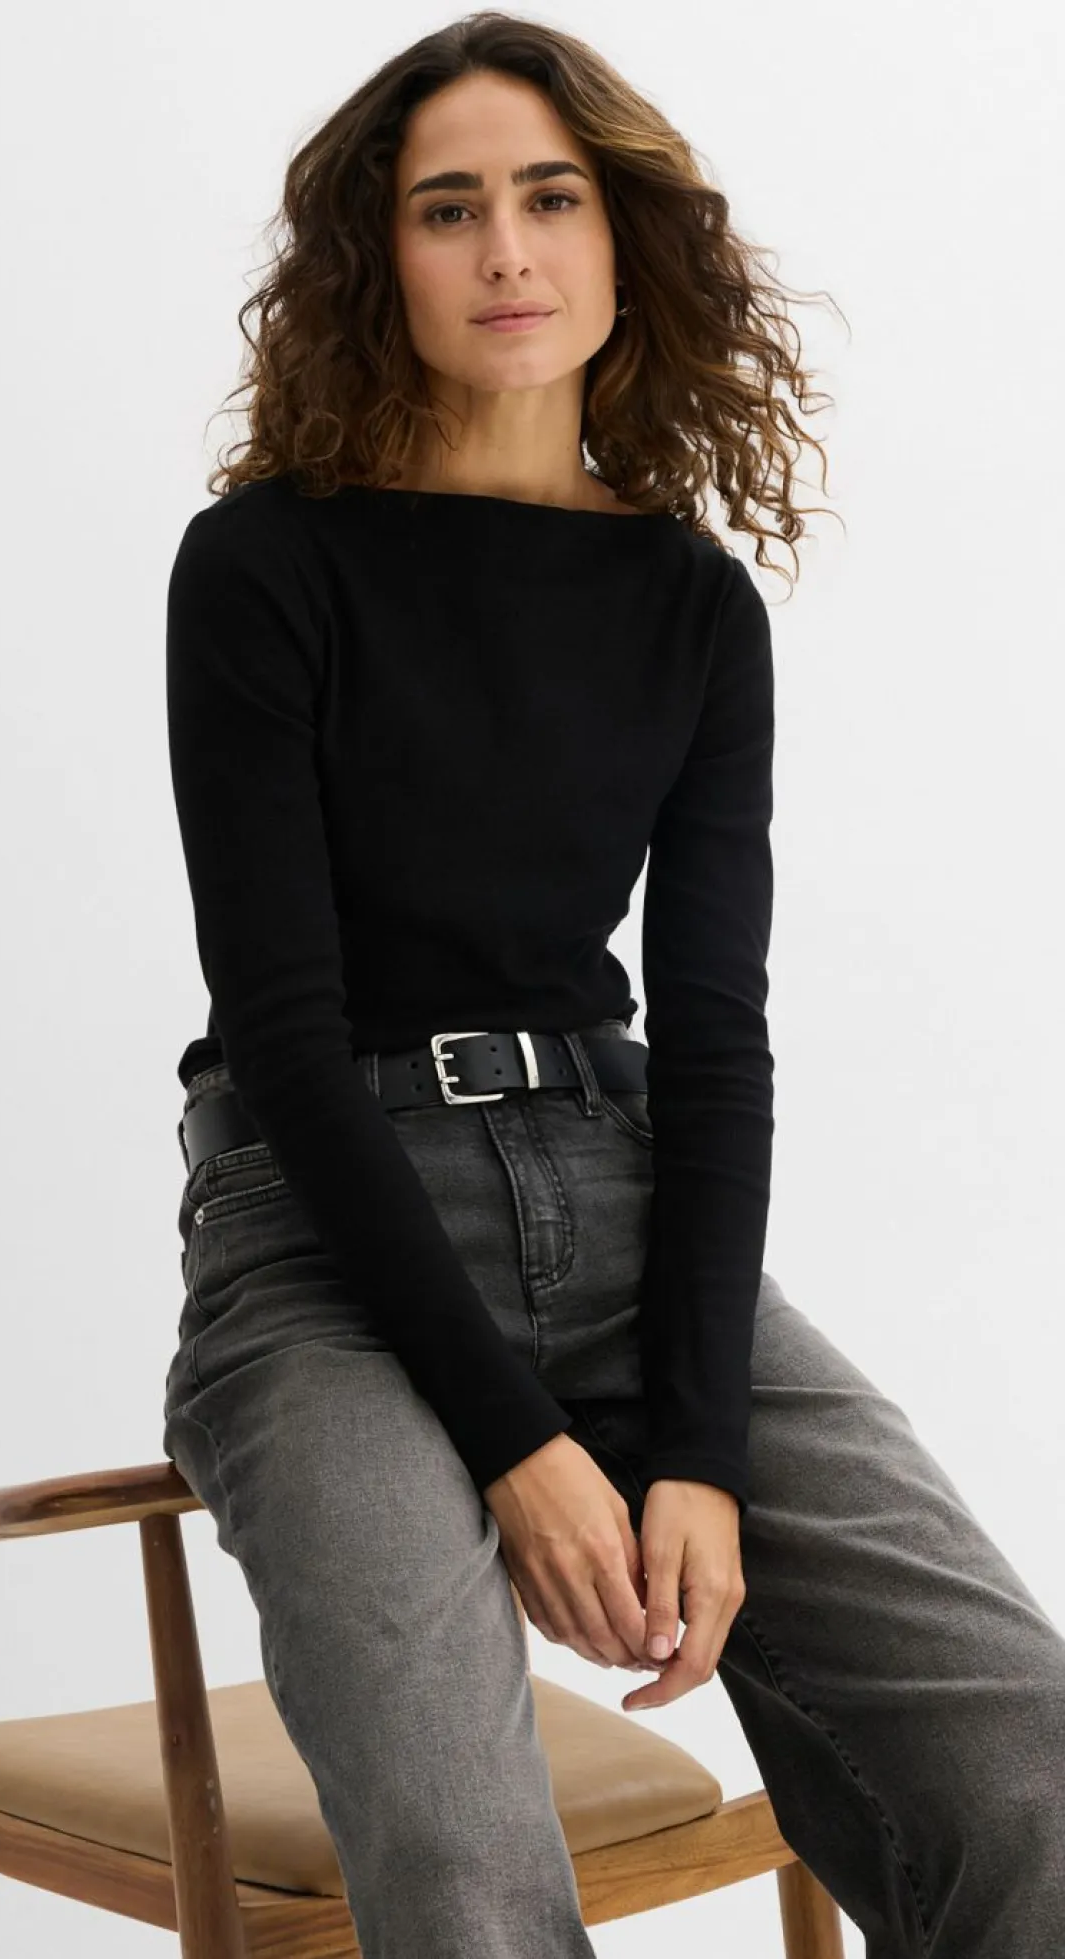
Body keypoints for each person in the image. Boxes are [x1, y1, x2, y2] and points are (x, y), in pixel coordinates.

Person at [160, 14, 1065, 1956]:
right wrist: (522, 1447)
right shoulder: (262, 569)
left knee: (1032, 1766)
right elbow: (289, 1041)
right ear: (379, 259)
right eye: (448, 208)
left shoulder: (690, 604)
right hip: (325, 1238)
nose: (506, 250)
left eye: (550, 198)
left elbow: (716, 1042)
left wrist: (701, 1455)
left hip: (622, 1192)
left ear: (621, 238)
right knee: (470, 1863)